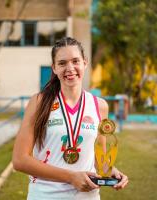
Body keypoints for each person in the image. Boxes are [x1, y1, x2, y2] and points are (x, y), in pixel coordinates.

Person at [12, 37, 128, 200]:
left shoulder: (99, 106)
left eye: (75, 61)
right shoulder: (39, 102)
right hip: (45, 195)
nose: (70, 68)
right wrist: (71, 177)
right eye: (62, 63)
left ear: (85, 63)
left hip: (87, 196)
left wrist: (111, 171)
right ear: (54, 68)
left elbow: (98, 158)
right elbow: (19, 160)